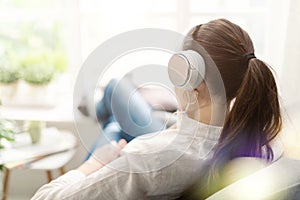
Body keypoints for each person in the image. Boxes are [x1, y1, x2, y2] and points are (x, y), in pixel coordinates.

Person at [31, 19, 283, 200]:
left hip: (144, 159)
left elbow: (45, 197)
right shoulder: (256, 134)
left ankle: (100, 109)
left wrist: (95, 163)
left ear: (193, 83)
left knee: (114, 111)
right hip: (170, 136)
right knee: (116, 125)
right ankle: (106, 113)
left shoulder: (148, 158)